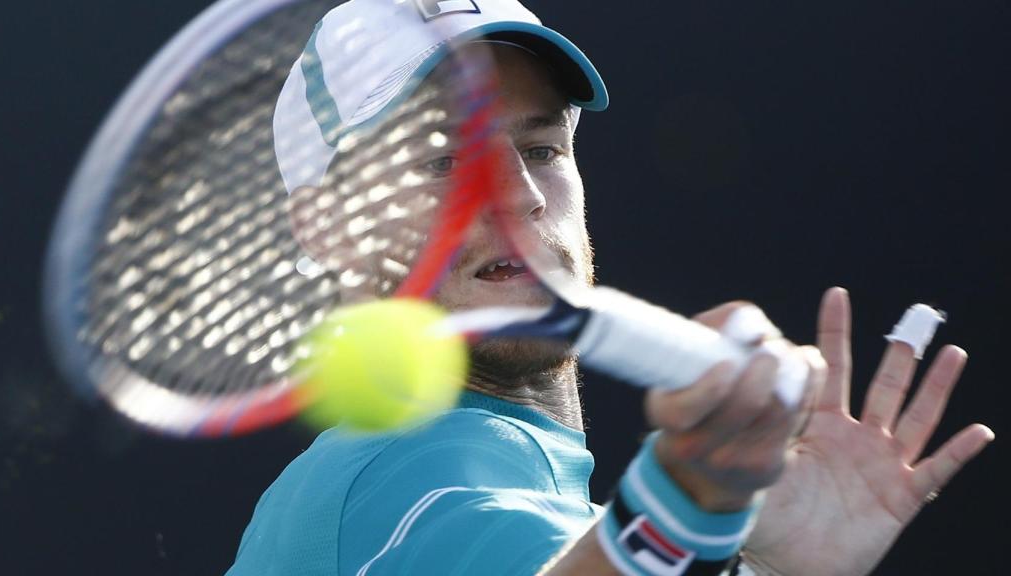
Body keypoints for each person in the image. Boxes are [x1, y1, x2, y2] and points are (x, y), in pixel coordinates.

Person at [228, 1, 994, 574]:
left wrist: (773, 569)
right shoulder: (394, 480)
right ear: (328, 228)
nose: (519, 194)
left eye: (541, 147)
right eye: (441, 162)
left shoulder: (543, 500)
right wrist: (685, 503)